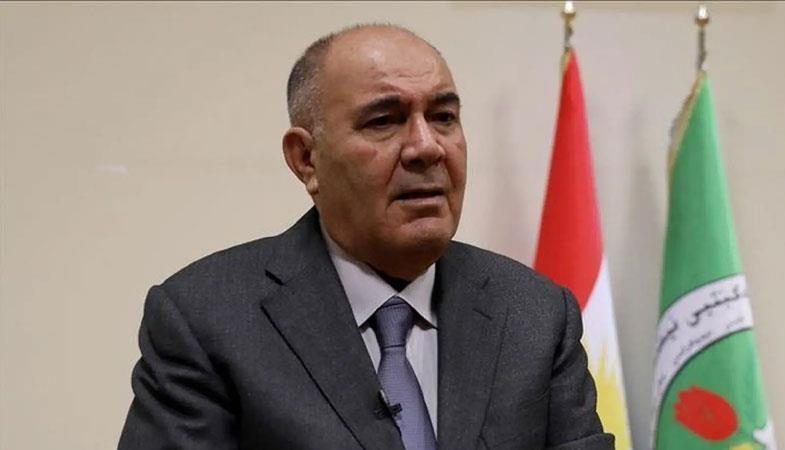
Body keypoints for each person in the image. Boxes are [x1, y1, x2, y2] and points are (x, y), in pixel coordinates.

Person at [118, 24, 614, 450]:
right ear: (306, 159)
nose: (426, 147)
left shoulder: (534, 314)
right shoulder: (208, 319)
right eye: (384, 121)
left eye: (443, 117)